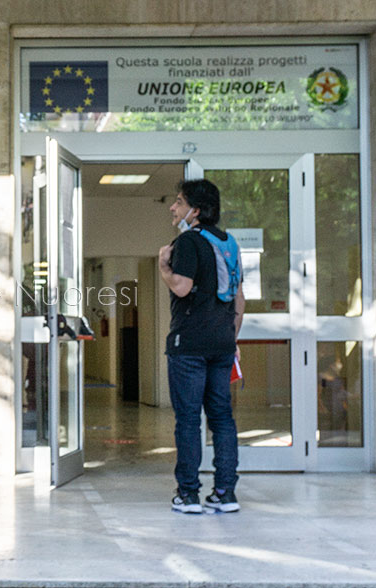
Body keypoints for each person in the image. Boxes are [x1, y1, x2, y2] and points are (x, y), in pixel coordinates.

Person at [157, 179, 245, 515]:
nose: (173, 207)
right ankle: (225, 493)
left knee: (189, 419)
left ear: (194, 211)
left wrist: (164, 266)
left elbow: (181, 287)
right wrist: (231, 338)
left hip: (189, 344)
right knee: (222, 418)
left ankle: (189, 494)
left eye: (178, 202)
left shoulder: (188, 242)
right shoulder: (229, 243)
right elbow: (239, 299)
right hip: (222, 343)